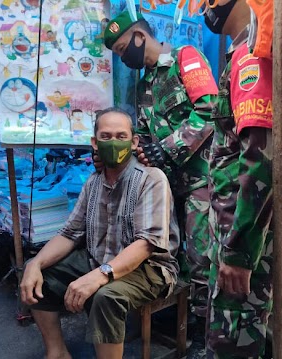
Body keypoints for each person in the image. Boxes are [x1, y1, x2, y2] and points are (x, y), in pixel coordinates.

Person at [20, 107, 180, 359]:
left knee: (107, 296)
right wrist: (35, 262)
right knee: (40, 274)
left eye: (121, 136)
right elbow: (69, 233)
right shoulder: (93, 182)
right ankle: (57, 352)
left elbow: (146, 244)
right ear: (94, 142)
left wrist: (100, 275)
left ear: (134, 141)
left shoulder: (151, 179)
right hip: (99, 258)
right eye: (106, 137)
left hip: (149, 269)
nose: (114, 143)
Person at [203, 1, 282, 358]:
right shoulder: (254, 50)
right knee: (255, 337)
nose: (205, 7)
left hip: (249, 240)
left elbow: (262, 161)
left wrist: (238, 252)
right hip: (251, 235)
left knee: (233, 347)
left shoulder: (254, 56)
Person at [103, 11, 218, 325]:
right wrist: (136, 148)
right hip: (168, 185)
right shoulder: (143, 86)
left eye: (124, 49)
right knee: (172, 251)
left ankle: (204, 328)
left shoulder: (186, 59)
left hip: (200, 182)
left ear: (140, 37)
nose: (124, 58)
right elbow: (143, 132)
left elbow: (209, 110)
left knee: (201, 257)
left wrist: (166, 147)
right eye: (119, 55)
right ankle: (182, 318)